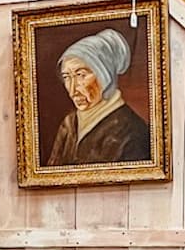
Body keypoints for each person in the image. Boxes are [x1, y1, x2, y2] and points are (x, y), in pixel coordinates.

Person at [45, 28, 150, 166]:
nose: (72, 90)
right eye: (67, 77)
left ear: (104, 77)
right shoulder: (69, 123)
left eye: (80, 75)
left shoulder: (133, 131)